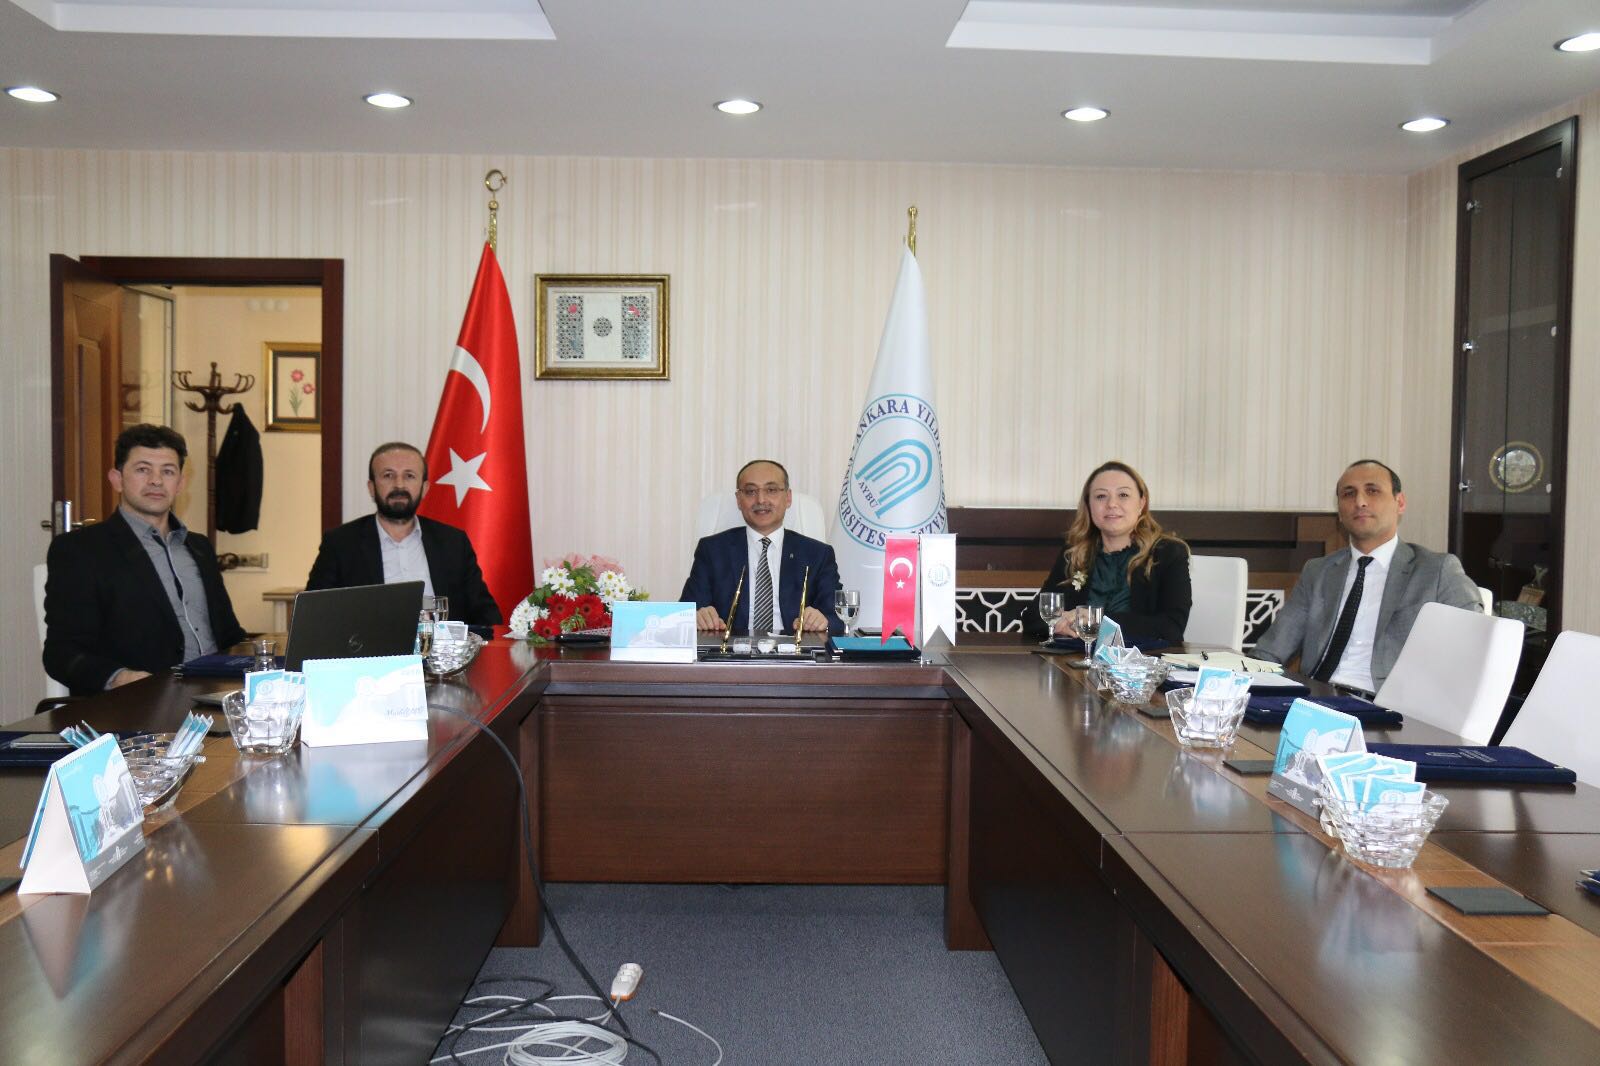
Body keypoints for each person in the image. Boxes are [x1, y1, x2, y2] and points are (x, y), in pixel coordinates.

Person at [43, 423, 246, 696]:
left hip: (217, 695)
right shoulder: (80, 550)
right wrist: (120, 678)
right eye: (143, 469)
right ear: (117, 479)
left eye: (168, 471)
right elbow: (61, 653)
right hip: (138, 702)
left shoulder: (199, 548)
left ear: (180, 484)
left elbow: (230, 635)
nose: (156, 481)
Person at [1253, 459, 1482, 695]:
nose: (1360, 502)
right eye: (1349, 494)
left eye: (1372, 491)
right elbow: (1271, 650)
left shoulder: (1436, 570)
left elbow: (1478, 645)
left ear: (1400, 503)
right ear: (1339, 511)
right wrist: (1244, 682)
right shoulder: (1318, 571)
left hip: (1387, 704)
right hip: (1316, 697)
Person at [305, 442, 501, 627]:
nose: (399, 485)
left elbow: (486, 614)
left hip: (442, 650)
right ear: (372, 488)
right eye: (388, 475)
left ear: (424, 488)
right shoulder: (341, 544)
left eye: (409, 476)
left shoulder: (453, 543)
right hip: (371, 651)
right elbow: (313, 615)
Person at [1026, 461, 1192, 643]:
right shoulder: (1074, 553)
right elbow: (1032, 617)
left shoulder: (1168, 552)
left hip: (1142, 659)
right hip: (1076, 657)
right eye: (1101, 496)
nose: (1112, 504)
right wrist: (1059, 623)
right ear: (1088, 505)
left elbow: (1172, 627)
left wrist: (1094, 619)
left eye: (1123, 495)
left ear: (1141, 503)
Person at [682, 459, 842, 634]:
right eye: (750, 491)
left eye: (771, 490)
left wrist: (823, 621)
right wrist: (697, 616)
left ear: (788, 498)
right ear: (739, 500)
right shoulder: (712, 550)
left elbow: (837, 619)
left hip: (794, 648)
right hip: (731, 648)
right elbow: (685, 614)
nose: (761, 499)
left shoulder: (818, 554)